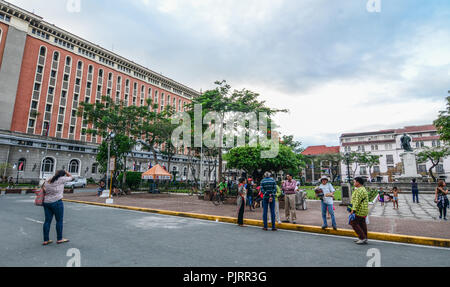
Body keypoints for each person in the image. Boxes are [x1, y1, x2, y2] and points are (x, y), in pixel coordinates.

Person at [42, 170, 73, 246]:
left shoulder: (48, 179)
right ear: (63, 175)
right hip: (57, 202)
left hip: (46, 202)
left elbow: (43, 188)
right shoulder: (61, 179)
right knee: (59, 221)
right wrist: (66, 172)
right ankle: (59, 238)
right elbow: (72, 177)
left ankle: (46, 240)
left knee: (47, 221)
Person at [349, 177, 369, 245]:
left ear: (358, 182)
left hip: (359, 210)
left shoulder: (359, 190)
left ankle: (362, 237)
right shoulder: (362, 189)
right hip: (364, 210)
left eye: (354, 182)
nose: (353, 183)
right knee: (362, 224)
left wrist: (353, 210)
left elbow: (357, 201)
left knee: (353, 223)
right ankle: (364, 237)